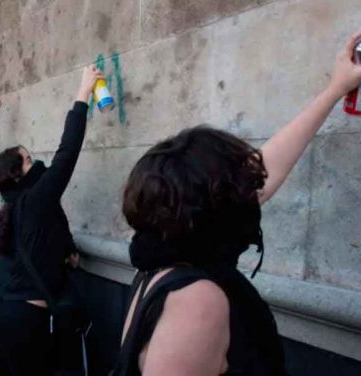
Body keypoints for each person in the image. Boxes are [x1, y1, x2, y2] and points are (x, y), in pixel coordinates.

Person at [114, 31, 361, 376]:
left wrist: (335, 90)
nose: (252, 194)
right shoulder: (197, 298)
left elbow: (265, 169)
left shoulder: (164, 261)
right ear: (220, 209)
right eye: (241, 189)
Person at [0, 65, 101, 375]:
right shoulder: (34, 201)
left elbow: (41, 244)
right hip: (28, 325)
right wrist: (83, 93)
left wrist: (67, 254)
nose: (36, 162)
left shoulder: (17, 207)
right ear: (17, 174)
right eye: (28, 159)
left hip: (10, 318)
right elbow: (67, 154)